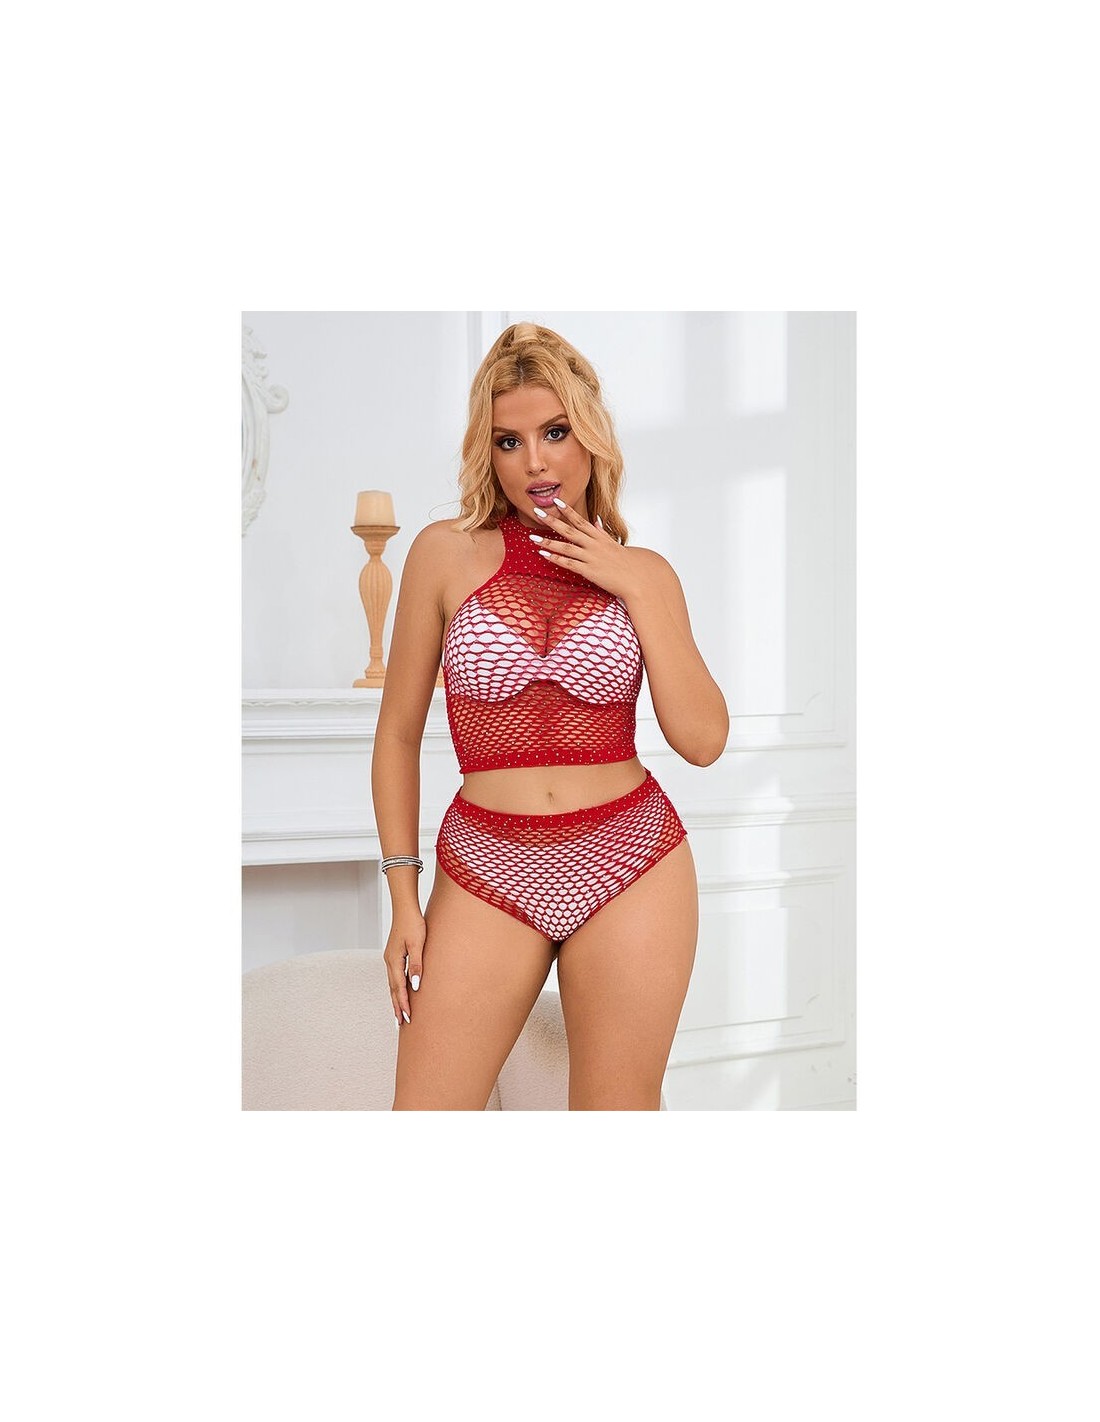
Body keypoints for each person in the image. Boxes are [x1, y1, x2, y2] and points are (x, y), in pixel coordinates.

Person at [371, 321, 729, 1110]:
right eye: (509, 441)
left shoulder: (646, 574)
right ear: (488, 452)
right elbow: (396, 734)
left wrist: (632, 581)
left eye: (555, 432)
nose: (534, 461)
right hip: (486, 865)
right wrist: (402, 897)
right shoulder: (442, 553)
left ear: (591, 436)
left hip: (630, 862)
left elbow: (703, 740)